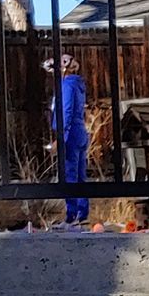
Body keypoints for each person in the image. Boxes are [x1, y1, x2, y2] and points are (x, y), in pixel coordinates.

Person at [46, 52, 90, 224]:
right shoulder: (77, 85)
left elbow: (66, 110)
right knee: (80, 175)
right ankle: (82, 213)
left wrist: (60, 136)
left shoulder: (67, 86)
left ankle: (72, 215)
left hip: (70, 134)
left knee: (69, 174)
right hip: (79, 132)